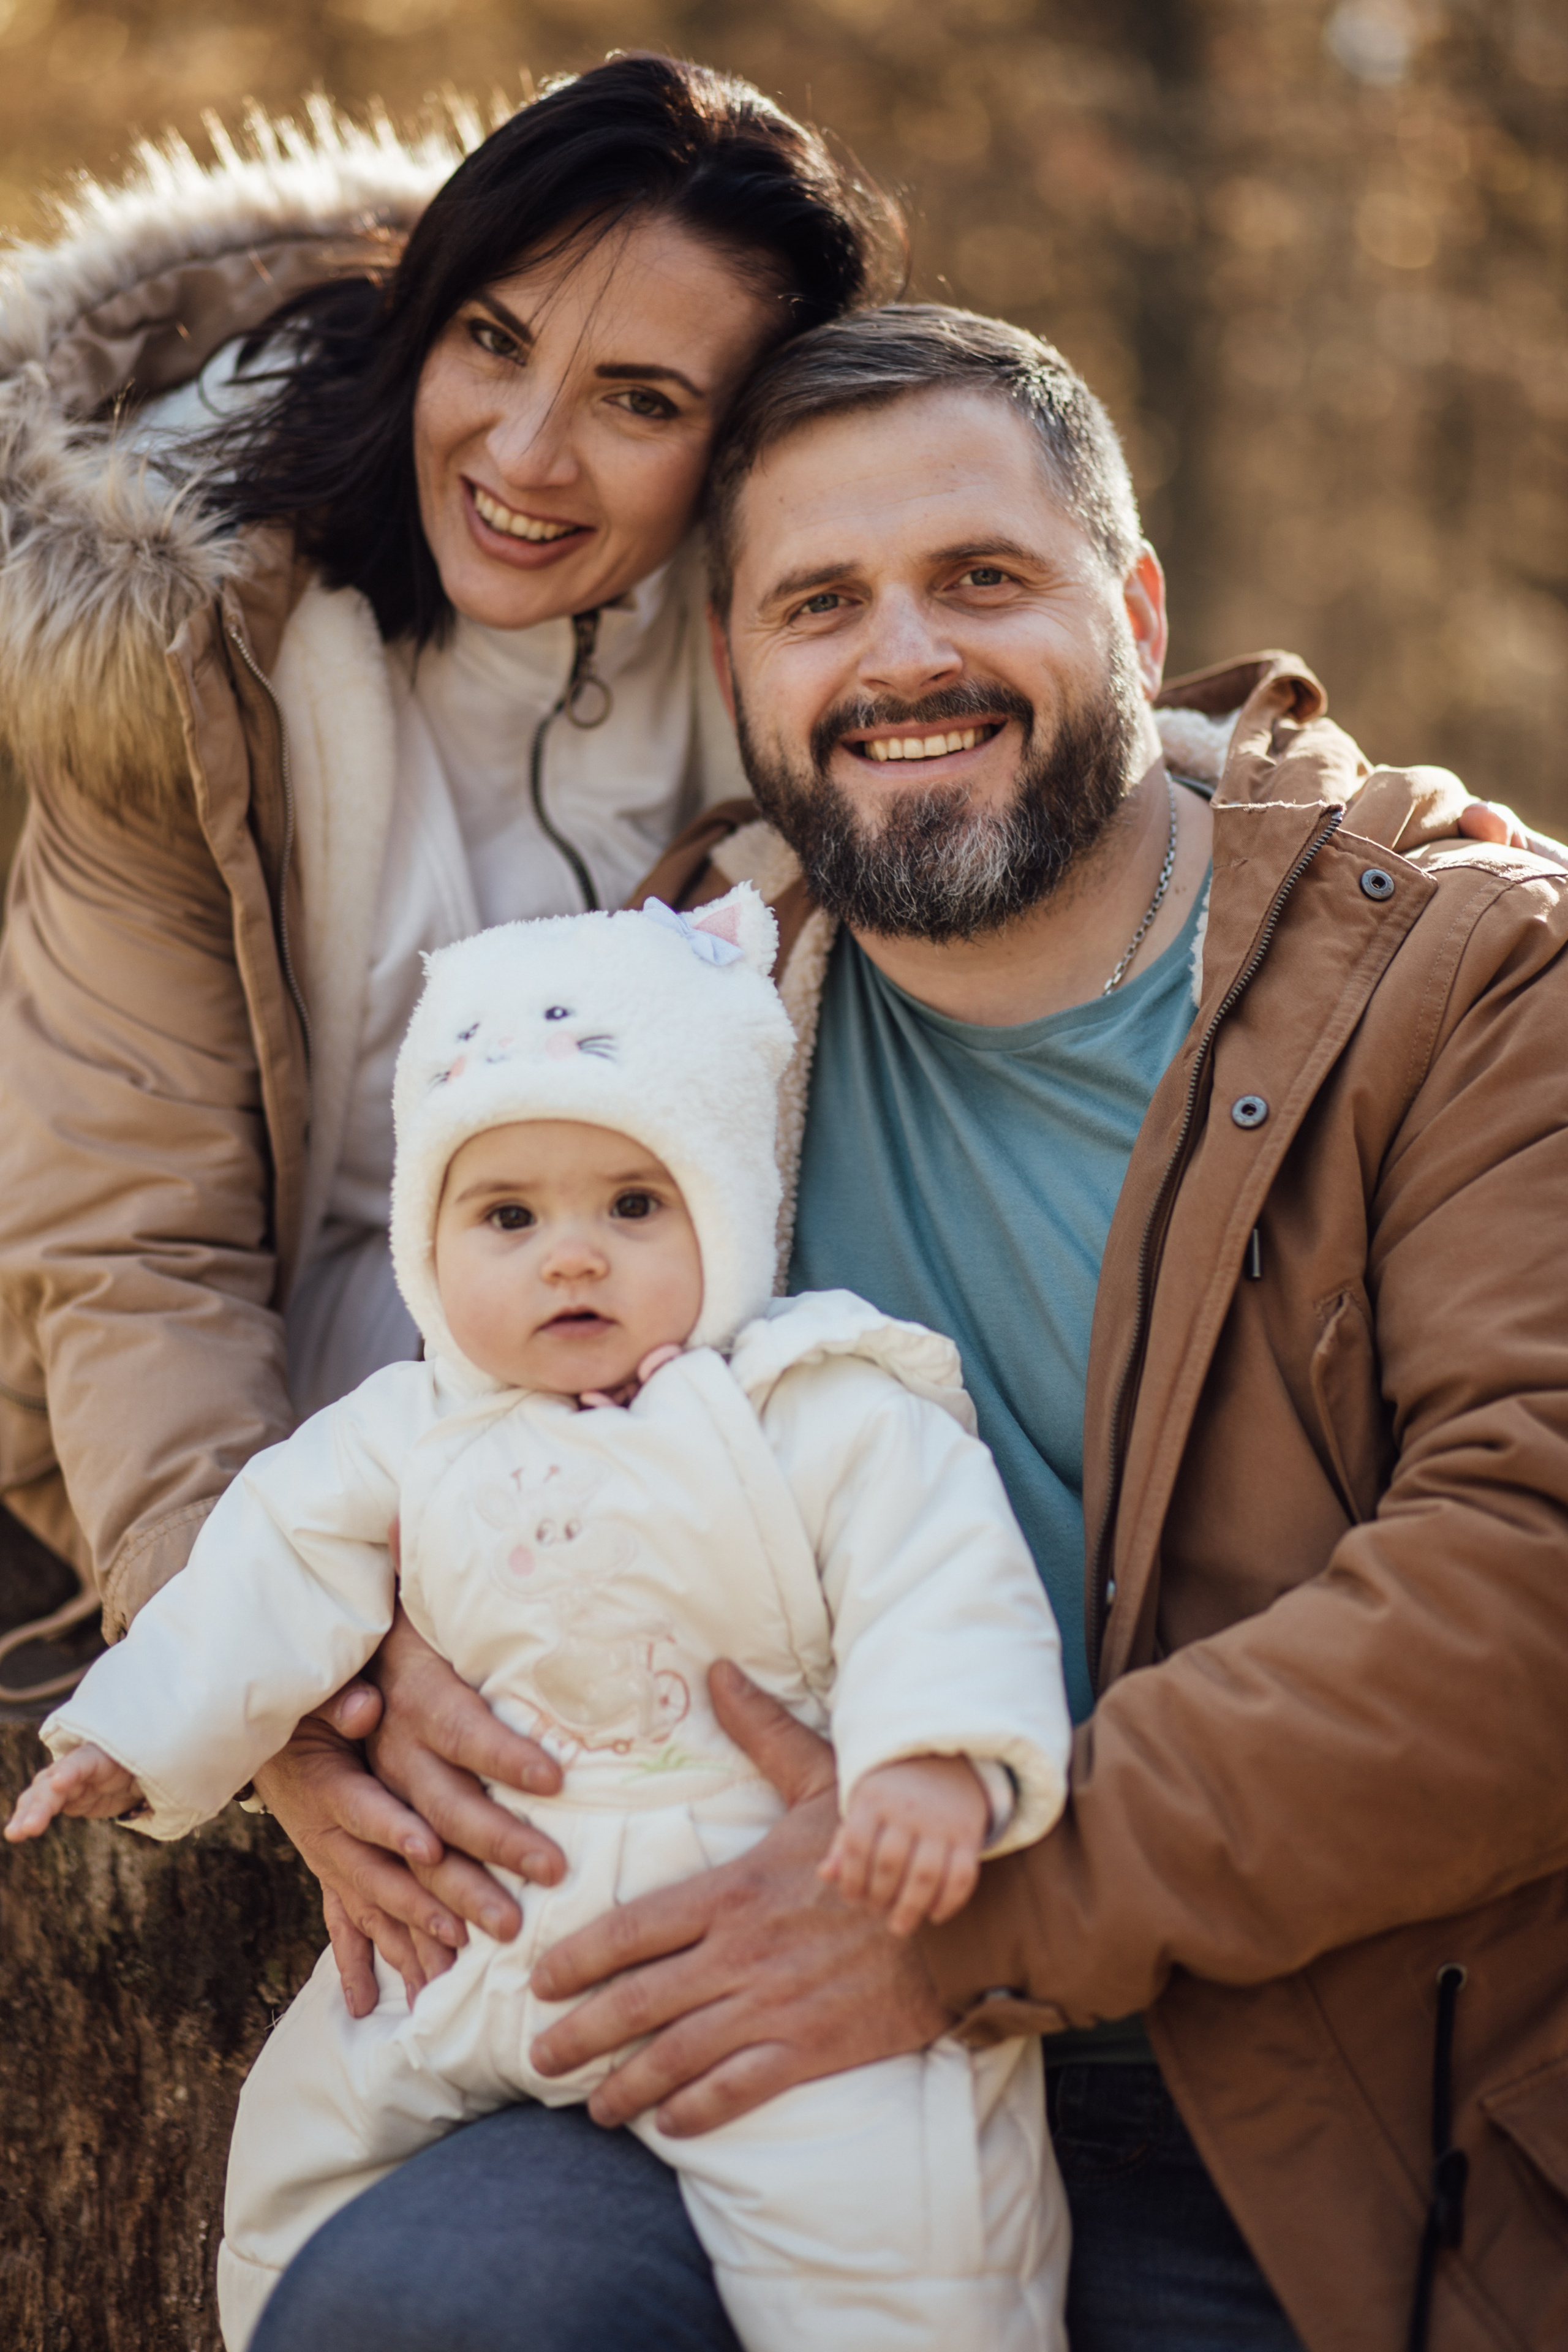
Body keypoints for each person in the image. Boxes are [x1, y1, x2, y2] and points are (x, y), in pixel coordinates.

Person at [249, 305, 1568, 2352]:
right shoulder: (681, 1008)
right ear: (736, 670)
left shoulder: (1468, 988)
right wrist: (346, 1661)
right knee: (426, 2310)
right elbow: (458, 1377)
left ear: (1131, 607)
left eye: (980, 580)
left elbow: (1531, 1587)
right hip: (741, 2060)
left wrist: (980, 1921)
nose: (903, 660)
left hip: (1316, 2109)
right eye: (819, 602)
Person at [9, 886, 1074, 2352]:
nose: (571, 1257)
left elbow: (938, 1576)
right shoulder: (401, 1433)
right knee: (296, 2156)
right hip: (475, 1925)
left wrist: (930, 1760)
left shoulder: (818, 1399)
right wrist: (134, 1737)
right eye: (508, 1215)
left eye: (633, 1206)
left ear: (725, 1208)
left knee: (894, 2229)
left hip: (758, 1903)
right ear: (429, 1242)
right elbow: (256, 1582)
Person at [0, 47, 894, 1741]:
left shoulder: (803, 645)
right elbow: (132, 1254)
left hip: (676, 1414)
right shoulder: (188, 662)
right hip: (246, 1453)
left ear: (749, 441)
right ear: (421, 314)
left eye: (641, 401)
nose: (527, 454)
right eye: (492, 340)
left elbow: (1083, 758)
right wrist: (266, 1674)